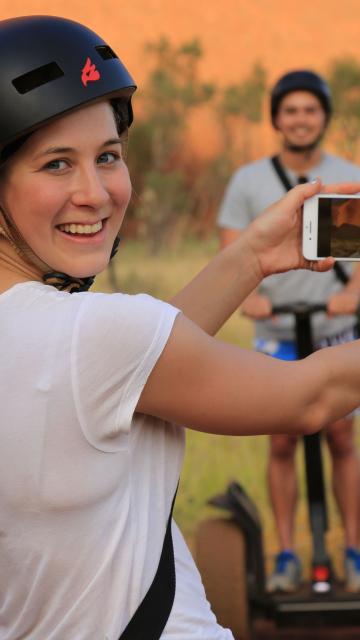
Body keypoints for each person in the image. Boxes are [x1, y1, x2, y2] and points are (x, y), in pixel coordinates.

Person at [2, 18, 360, 640]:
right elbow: (312, 397)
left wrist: (251, 257)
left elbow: (139, 368)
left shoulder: (54, 340)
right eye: (57, 164)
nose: (95, 192)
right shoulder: (94, 337)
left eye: (108, 156)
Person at [217, 69, 360, 594]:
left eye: (310, 110)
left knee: (342, 436)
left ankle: (353, 550)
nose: (301, 119)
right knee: (282, 439)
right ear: (276, 117)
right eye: (290, 110)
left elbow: (358, 253)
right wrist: (247, 298)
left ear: (324, 117)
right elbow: (233, 251)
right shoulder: (249, 181)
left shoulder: (347, 174)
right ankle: (284, 556)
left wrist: (354, 294)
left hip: (335, 328)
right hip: (278, 330)